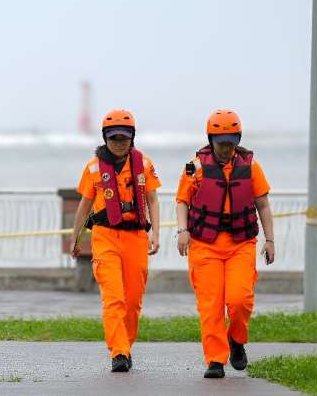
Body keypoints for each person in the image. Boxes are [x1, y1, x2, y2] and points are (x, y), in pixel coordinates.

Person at [175, 109, 276, 379]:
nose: (226, 148)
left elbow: (263, 205)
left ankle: (237, 341)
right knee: (211, 305)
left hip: (240, 243)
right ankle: (215, 361)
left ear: (238, 139)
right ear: (210, 140)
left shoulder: (252, 166)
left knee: (240, 299)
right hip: (205, 245)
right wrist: (182, 231)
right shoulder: (194, 167)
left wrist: (270, 240)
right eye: (221, 143)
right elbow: (182, 201)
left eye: (231, 142)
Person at [70, 109, 161, 373]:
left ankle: (126, 345)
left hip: (136, 238)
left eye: (124, 138)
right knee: (113, 299)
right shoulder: (93, 168)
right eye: (113, 138)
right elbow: (85, 204)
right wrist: (75, 237)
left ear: (132, 137)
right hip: (105, 237)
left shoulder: (144, 164)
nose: (119, 143)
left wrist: (156, 233)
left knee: (132, 301)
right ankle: (118, 352)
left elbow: (153, 199)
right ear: (105, 138)